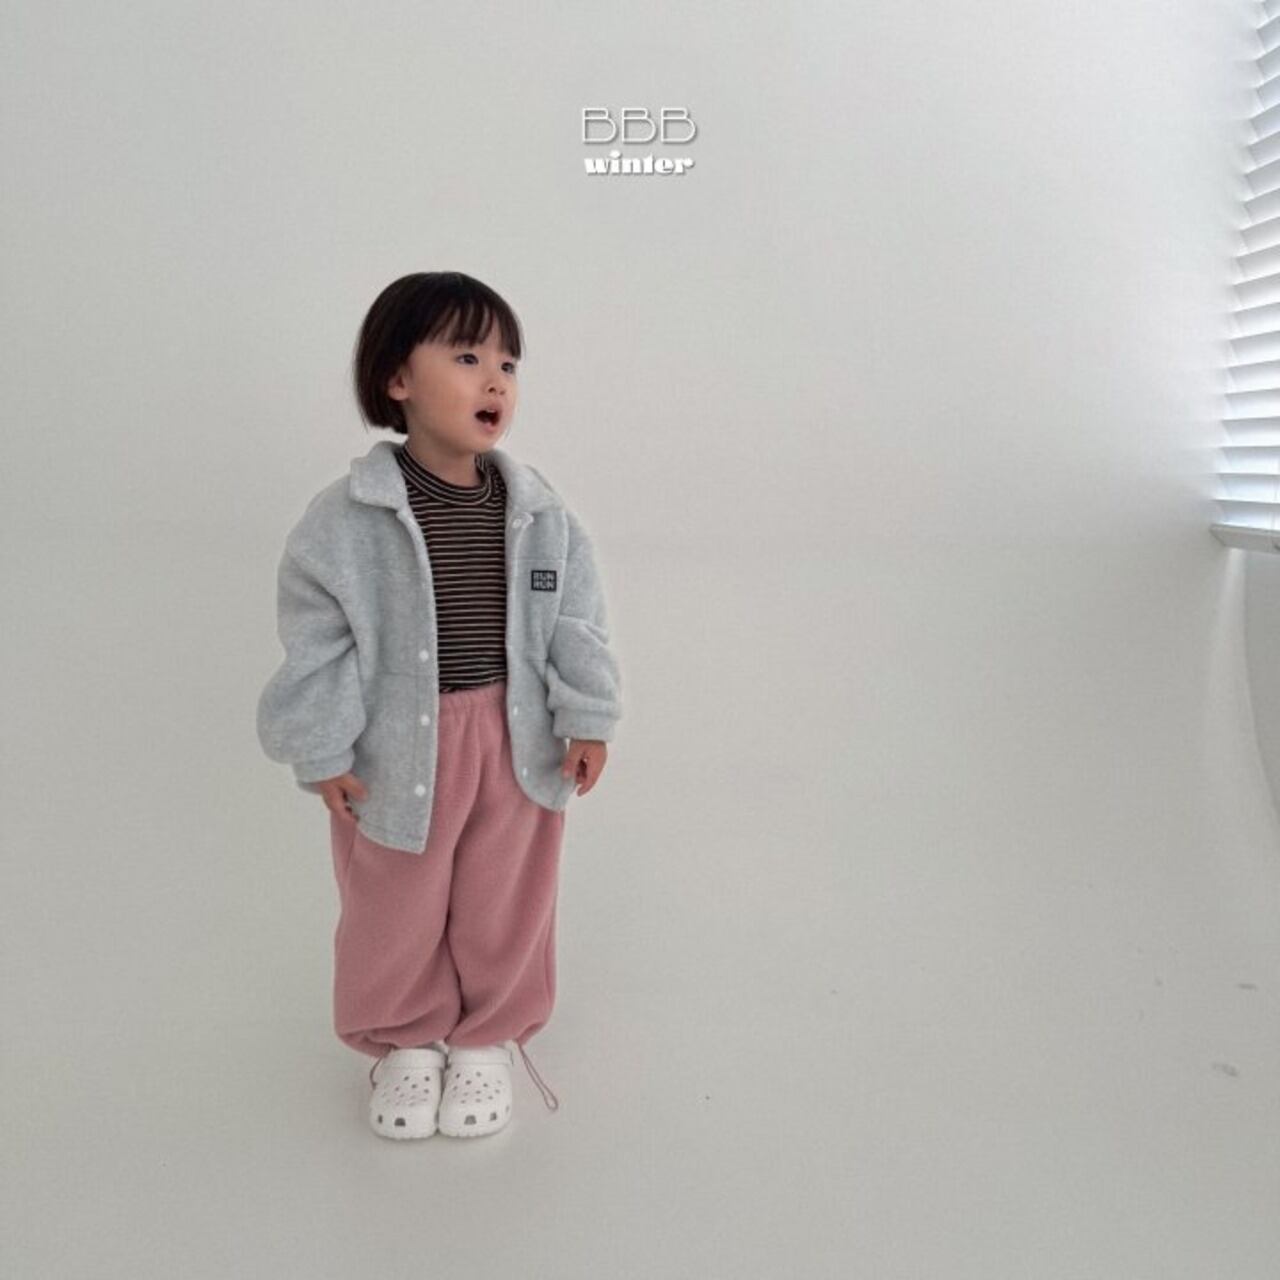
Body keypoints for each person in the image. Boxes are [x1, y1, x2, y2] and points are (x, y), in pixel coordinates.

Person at [255, 271, 622, 1141]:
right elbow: (318, 641)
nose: (495, 380)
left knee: (507, 895)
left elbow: (576, 621)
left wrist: (587, 715)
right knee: (394, 899)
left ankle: (487, 1035)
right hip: (395, 746)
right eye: (466, 357)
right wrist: (321, 748)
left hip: (517, 737)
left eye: (508, 364)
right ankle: (406, 1038)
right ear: (397, 379)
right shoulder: (346, 520)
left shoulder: (540, 513)